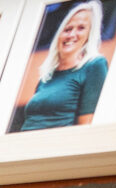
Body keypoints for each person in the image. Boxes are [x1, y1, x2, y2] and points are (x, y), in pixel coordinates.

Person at [17, 0, 109, 131]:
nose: (71, 35)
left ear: (90, 34)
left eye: (81, 28)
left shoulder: (94, 66)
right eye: (68, 29)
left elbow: (87, 127)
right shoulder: (47, 76)